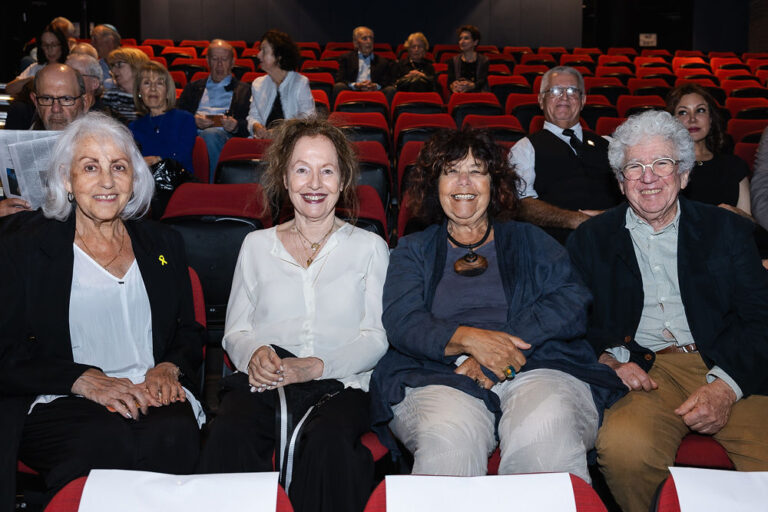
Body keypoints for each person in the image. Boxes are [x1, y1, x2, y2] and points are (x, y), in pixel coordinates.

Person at [369, 128, 625, 482]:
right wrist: (470, 339)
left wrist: (498, 348)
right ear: (434, 184)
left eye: (476, 171)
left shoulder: (530, 238)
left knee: (544, 433)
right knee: (449, 444)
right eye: (451, 170)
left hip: (539, 365)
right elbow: (403, 321)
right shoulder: (413, 249)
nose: (464, 182)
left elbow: (571, 300)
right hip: (439, 374)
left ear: (495, 183)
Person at [0, 112, 205, 510]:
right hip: (59, 395)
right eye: (90, 167)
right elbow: (6, 351)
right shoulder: (24, 247)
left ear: (135, 179)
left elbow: (189, 330)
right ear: (66, 179)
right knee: (103, 441)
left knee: (174, 436)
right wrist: (80, 379)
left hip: (150, 391)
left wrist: (168, 367)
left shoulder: (163, 243)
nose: (107, 182)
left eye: (119, 167)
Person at [566, 110, 768, 512]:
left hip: (729, 363)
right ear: (621, 181)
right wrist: (606, 358)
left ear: (684, 173)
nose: (648, 177)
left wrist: (726, 387)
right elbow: (572, 319)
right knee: (624, 449)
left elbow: (761, 318)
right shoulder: (591, 239)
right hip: (645, 371)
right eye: (634, 167)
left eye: (661, 163)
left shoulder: (727, 230)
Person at [198, 117, 389, 512]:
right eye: (302, 170)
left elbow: (376, 338)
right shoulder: (255, 245)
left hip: (344, 384)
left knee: (329, 443)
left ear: (343, 180)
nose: (315, 183)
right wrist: (254, 353)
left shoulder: (370, 247)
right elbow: (235, 330)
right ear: (285, 179)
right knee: (229, 431)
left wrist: (314, 366)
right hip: (266, 381)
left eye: (327, 171)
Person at [509, 66, 623, 244]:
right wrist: (577, 219)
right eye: (554, 90)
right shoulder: (524, 149)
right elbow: (522, 205)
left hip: (613, 240)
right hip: (556, 247)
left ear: (583, 100)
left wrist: (611, 217)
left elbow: (634, 192)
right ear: (541, 100)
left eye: (572, 90)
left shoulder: (610, 144)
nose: (564, 97)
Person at [666, 84, 751, 217]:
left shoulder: (735, 166)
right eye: (683, 112)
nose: (692, 119)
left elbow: (750, 225)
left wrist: (737, 215)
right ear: (673, 121)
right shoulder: (664, 167)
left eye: (700, 110)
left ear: (710, 119)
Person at [177, 39, 252, 180]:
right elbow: (178, 116)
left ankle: (211, 188)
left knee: (210, 135)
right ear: (207, 60)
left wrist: (235, 126)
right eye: (215, 59)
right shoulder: (193, 87)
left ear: (232, 62)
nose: (219, 64)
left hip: (224, 137)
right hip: (194, 133)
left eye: (224, 59)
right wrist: (192, 121)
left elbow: (250, 124)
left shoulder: (244, 90)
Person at [130, 61, 197, 173]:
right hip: (146, 183)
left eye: (159, 83)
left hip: (179, 182)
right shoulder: (133, 127)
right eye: (147, 83)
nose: (153, 88)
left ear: (167, 91)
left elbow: (181, 156)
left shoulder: (185, 119)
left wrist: (156, 160)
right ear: (139, 92)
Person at [247, 30, 315, 139]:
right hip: (262, 141)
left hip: (290, 141)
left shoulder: (300, 82)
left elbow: (308, 119)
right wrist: (256, 127)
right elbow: (253, 116)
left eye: (264, 51)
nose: (258, 55)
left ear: (279, 57)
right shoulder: (257, 84)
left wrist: (281, 131)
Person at [333, 26, 396, 102]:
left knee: (390, 90)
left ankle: (386, 113)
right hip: (352, 91)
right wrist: (356, 85)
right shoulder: (346, 58)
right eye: (364, 38)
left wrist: (375, 86)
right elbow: (340, 79)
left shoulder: (383, 61)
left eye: (371, 38)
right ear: (356, 43)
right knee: (338, 87)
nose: (369, 41)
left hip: (374, 92)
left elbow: (386, 82)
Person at [6, 23, 70, 96]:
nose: (50, 49)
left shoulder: (71, 65)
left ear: (62, 45)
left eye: (54, 45)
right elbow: (9, 89)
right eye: (45, 45)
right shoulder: (36, 67)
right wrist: (31, 80)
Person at [31, 63, 93, 130]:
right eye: (47, 99)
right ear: (35, 102)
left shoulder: (102, 138)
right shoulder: (27, 138)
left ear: (85, 102)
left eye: (66, 99)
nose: (56, 109)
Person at [103, 47, 149, 124]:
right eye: (112, 66)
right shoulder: (110, 96)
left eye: (119, 64)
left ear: (136, 66)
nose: (113, 70)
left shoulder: (152, 95)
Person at [446, 25, 489, 94]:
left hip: (478, 96)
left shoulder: (484, 60)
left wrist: (471, 86)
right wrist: (453, 86)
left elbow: (482, 82)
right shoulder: (453, 61)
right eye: (460, 39)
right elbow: (449, 83)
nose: (461, 42)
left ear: (475, 42)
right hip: (459, 95)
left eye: (466, 38)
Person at [91, 24, 122, 88]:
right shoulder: (97, 65)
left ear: (110, 41)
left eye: (95, 39)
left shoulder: (129, 63)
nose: (92, 43)